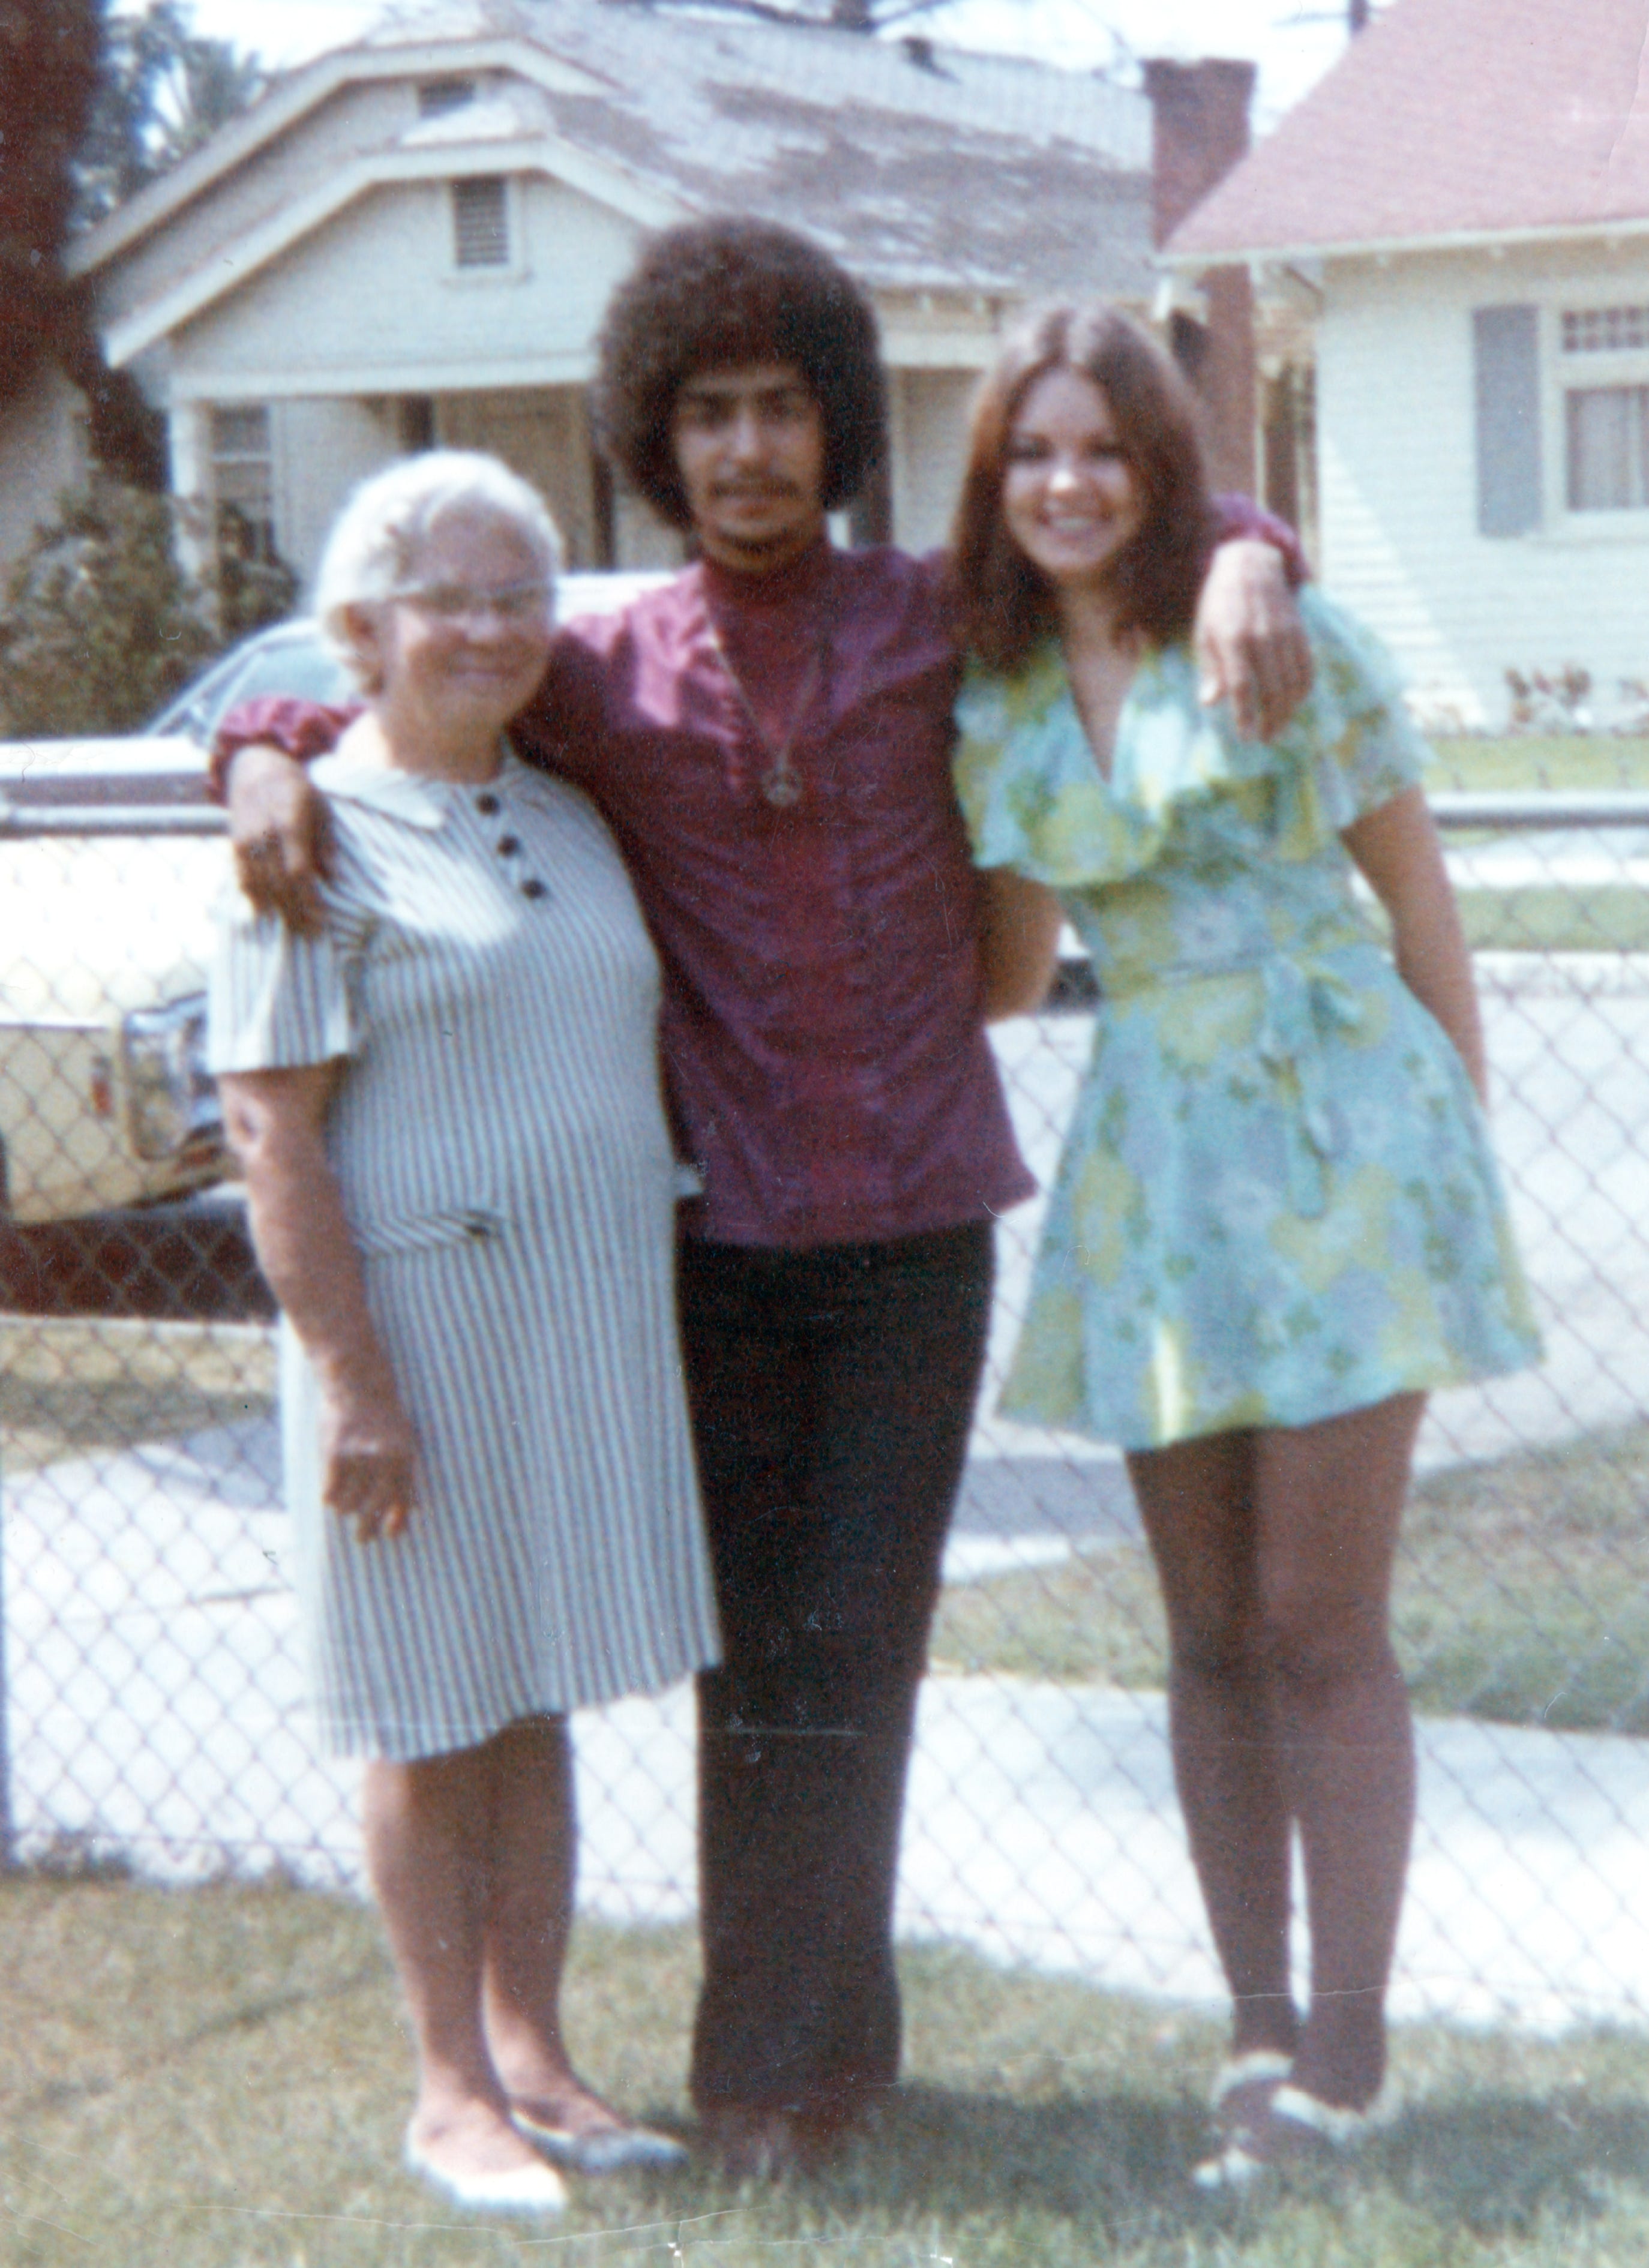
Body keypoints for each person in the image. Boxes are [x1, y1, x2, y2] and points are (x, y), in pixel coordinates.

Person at [214, 218, 1313, 2179]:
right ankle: (762, 2076)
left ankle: (830, 2060)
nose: (744, 451)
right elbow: (401, 693)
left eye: (780, 409)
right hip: (707, 1247)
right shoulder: (601, 675)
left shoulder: (929, 618)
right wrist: (260, 746)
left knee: (861, 1649)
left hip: (910, 1229)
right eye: (706, 415)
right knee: (755, 1665)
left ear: (832, 428)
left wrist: (1252, 545)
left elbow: (1120, 519)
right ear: (655, 435)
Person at [946, 304, 1542, 2183]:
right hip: (1151, 1160)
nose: (1066, 483)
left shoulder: (1279, 629)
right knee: (1202, 1635)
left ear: (1160, 465)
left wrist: (1452, 1122)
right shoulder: (996, 692)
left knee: (1313, 1622)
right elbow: (1016, 964)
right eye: (1031, 452)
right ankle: (1255, 2029)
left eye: (1103, 449)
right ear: (994, 480)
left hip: (1340, 1132)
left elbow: (1414, 891)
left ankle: (1350, 2054)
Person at [208, 452, 719, 2214]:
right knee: (427, 1709)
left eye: (521, 594)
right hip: (412, 1340)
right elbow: (272, 1131)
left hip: (574, 1324)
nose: (491, 628)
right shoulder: (309, 834)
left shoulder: (568, 809)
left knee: (531, 1692)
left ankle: (538, 2056)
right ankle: (446, 2092)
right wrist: (353, 1381)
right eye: (448, 596)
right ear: (362, 625)